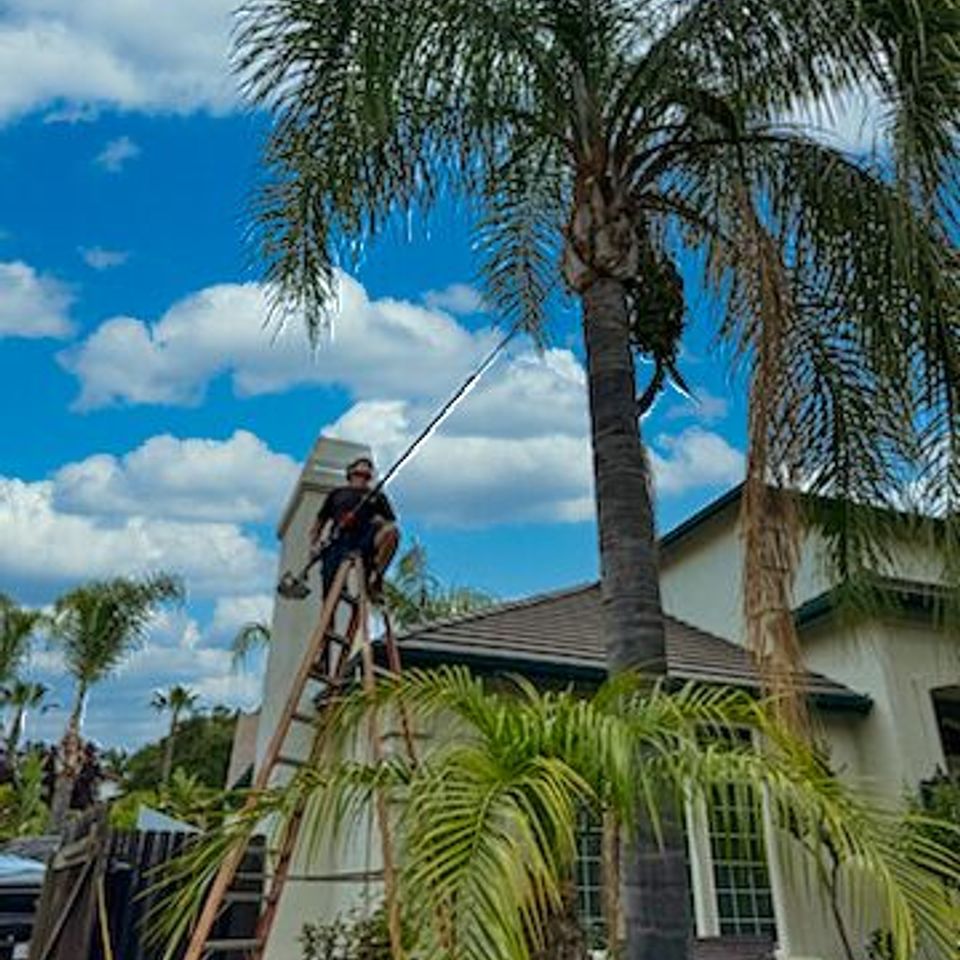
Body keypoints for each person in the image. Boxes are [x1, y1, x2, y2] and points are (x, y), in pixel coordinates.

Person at [310, 456, 399, 601]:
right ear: (350, 474)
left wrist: (380, 521)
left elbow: (390, 522)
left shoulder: (377, 496)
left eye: (366, 476)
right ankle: (334, 604)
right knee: (329, 585)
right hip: (338, 541)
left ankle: (375, 577)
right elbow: (319, 521)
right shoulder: (337, 494)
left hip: (365, 539)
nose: (362, 478)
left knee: (392, 532)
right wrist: (314, 545)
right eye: (358, 474)